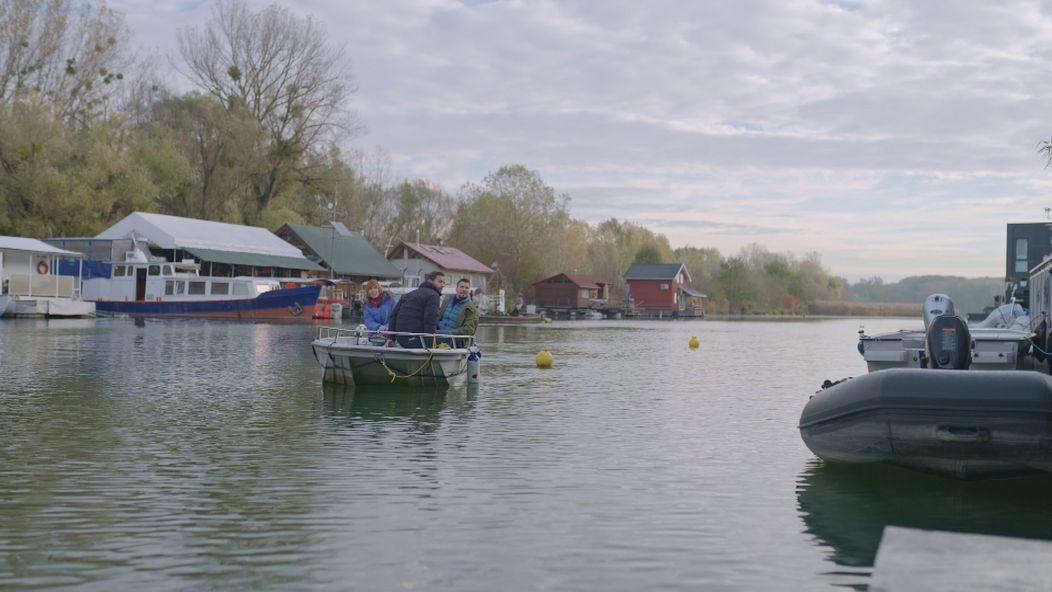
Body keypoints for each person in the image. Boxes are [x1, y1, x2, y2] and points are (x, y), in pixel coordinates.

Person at [386, 271, 445, 348]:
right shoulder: (433, 296)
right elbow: (430, 321)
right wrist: (430, 347)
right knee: (449, 336)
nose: (442, 285)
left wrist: (391, 338)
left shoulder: (409, 294)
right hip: (416, 338)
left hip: (400, 338)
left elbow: (394, 315)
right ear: (430, 281)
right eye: (440, 282)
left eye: (444, 283)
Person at [436, 278, 480, 347]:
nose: (464, 289)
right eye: (462, 287)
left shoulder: (472, 308)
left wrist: (450, 333)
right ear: (456, 289)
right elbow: (438, 317)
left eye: (466, 288)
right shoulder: (447, 300)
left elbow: (469, 330)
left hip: (455, 340)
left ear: (469, 291)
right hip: (437, 334)